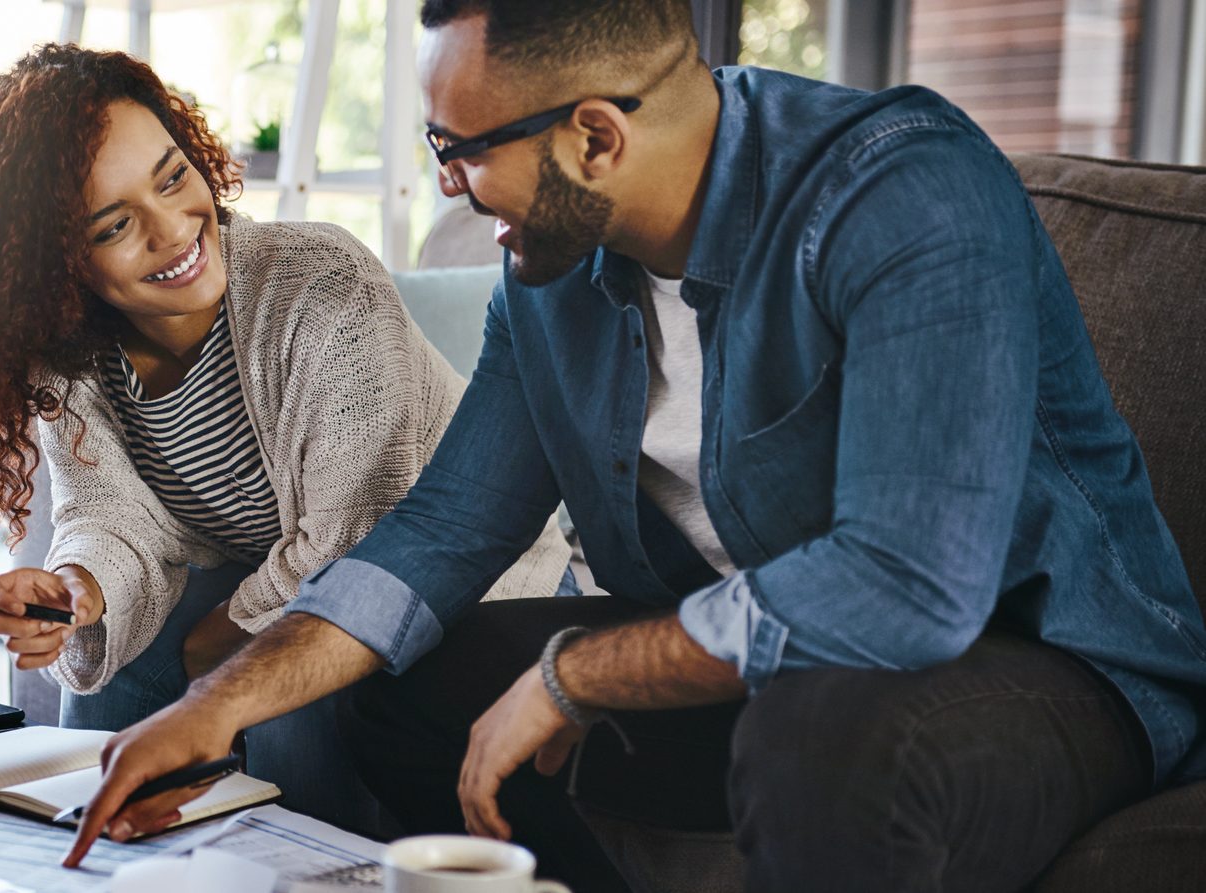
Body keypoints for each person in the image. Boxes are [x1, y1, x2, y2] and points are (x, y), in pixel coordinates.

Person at [64, 1, 1206, 890]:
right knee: (397, 685)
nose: (448, 182)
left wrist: (574, 676)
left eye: (456, 147)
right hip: (756, 655)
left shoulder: (902, 194)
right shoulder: (549, 275)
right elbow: (442, 533)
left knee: (821, 732)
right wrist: (214, 700)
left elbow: (906, 586)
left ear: (595, 135)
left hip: (1043, 666)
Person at [0, 43, 571, 830]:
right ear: (52, 267)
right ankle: (97, 850)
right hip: (284, 571)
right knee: (116, 658)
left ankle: (309, 874)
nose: (172, 230)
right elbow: (113, 518)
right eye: (114, 225)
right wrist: (77, 588)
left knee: (282, 689)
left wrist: (221, 651)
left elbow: (354, 544)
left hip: (457, 585)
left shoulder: (320, 285)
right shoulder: (70, 356)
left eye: (172, 177)